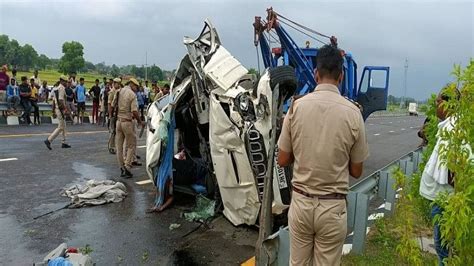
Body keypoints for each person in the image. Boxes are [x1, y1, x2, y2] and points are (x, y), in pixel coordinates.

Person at [277, 44, 369, 266]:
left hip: (301, 203)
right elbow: (357, 171)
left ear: (316, 74)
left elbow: (282, 159)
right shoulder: (353, 113)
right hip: (332, 208)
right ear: (342, 75)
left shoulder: (296, 108)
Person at [419, 86, 462, 265]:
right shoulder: (447, 127)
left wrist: (454, 201)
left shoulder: (453, 129)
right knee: (442, 246)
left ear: (448, 104)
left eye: (438, 102)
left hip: (446, 200)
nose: (436, 106)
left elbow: (458, 165)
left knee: (443, 248)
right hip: (443, 198)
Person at [112, 78, 145, 178]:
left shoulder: (118, 91)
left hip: (118, 122)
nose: (136, 89)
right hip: (127, 122)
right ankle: (127, 167)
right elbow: (134, 111)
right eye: (136, 87)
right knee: (131, 145)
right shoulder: (132, 95)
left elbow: (113, 105)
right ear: (132, 84)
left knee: (119, 147)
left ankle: (122, 168)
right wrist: (140, 121)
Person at [44, 75, 71, 150]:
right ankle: (49, 140)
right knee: (61, 127)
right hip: (60, 109)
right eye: (65, 81)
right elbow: (61, 100)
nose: (66, 83)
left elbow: (54, 101)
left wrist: (53, 111)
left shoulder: (57, 88)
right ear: (62, 81)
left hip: (57, 109)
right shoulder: (62, 88)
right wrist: (65, 109)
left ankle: (64, 142)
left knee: (64, 126)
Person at [107, 78, 122, 154]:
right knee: (112, 131)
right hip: (113, 113)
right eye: (117, 83)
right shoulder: (112, 92)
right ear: (114, 83)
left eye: (119, 83)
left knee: (117, 131)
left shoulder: (120, 91)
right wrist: (110, 115)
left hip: (118, 113)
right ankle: (111, 147)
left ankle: (116, 146)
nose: (119, 85)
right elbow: (109, 104)